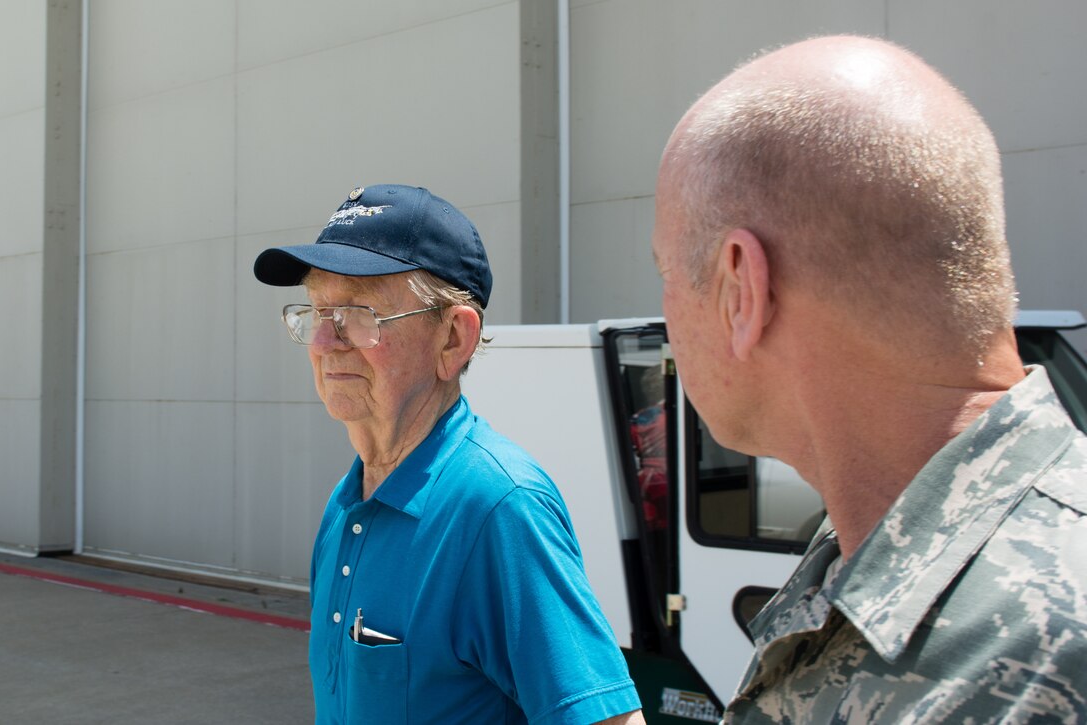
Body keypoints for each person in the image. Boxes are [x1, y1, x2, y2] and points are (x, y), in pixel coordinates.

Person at [651, 35, 1087, 722]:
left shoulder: (1049, 642)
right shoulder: (867, 558)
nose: (668, 310)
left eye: (667, 273)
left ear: (741, 289)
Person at [254, 184, 643, 724]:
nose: (325, 342)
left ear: (453, 340)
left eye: (359, 314)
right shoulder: (347, 506)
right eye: (319, 311)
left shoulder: (497, 509)